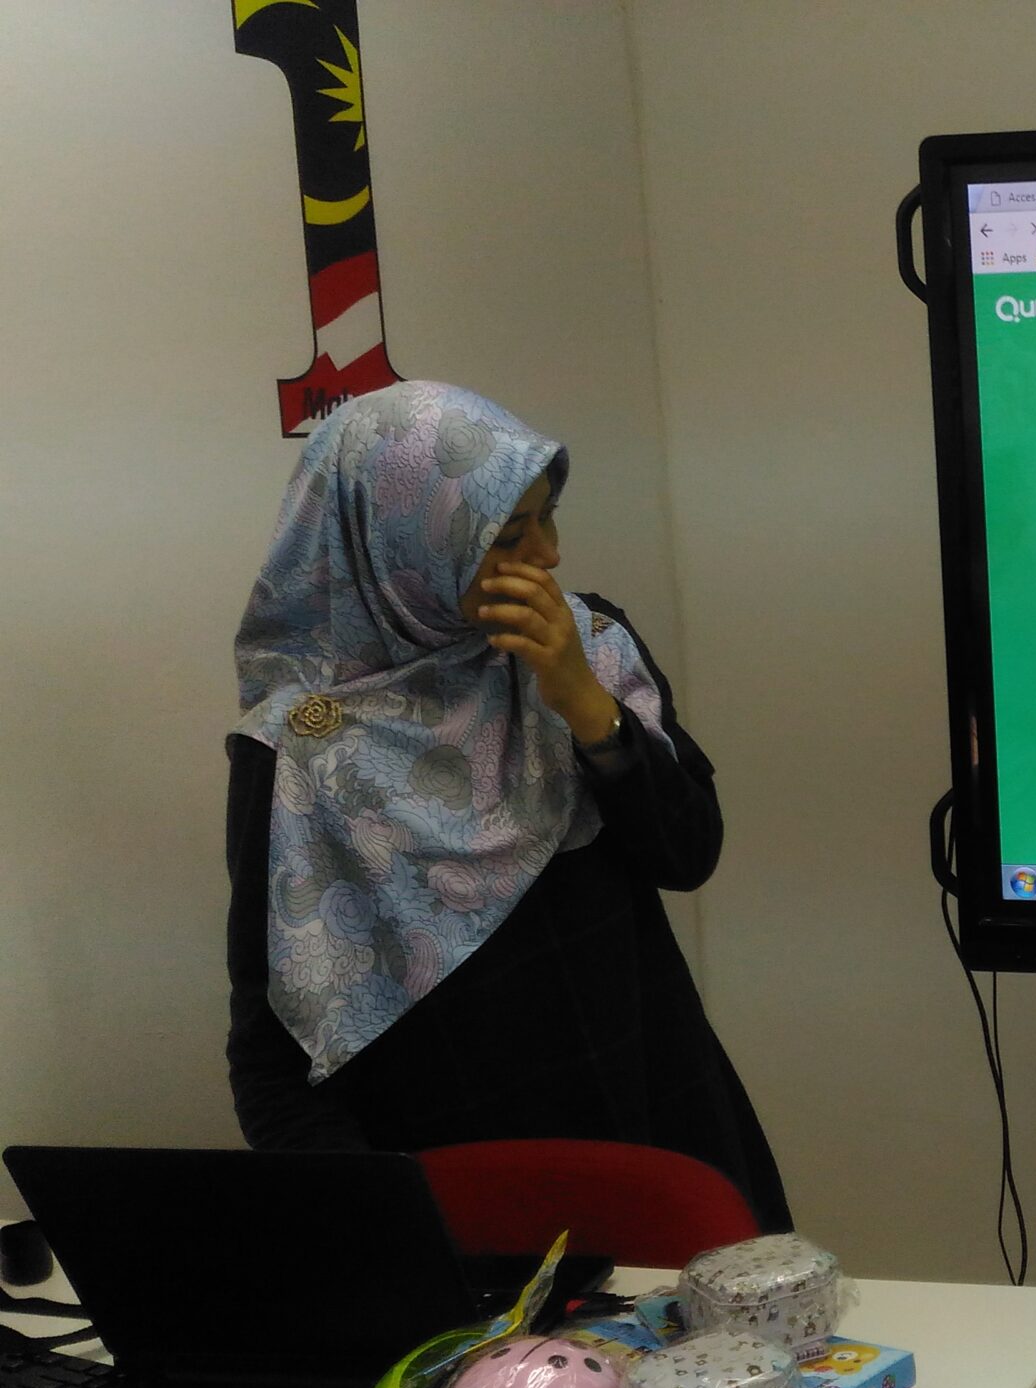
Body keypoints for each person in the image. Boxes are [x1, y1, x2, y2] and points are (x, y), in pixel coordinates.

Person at [223, 380, 792, 1230]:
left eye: (549, 519)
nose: (550, 556)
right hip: (462, 1189)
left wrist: (585, 705)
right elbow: (274, 1049)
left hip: (654, 1120)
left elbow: (688, 852)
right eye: (512, 535)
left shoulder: (587, 646)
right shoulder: (300, 749)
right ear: (406, 543)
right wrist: (374, 1229)